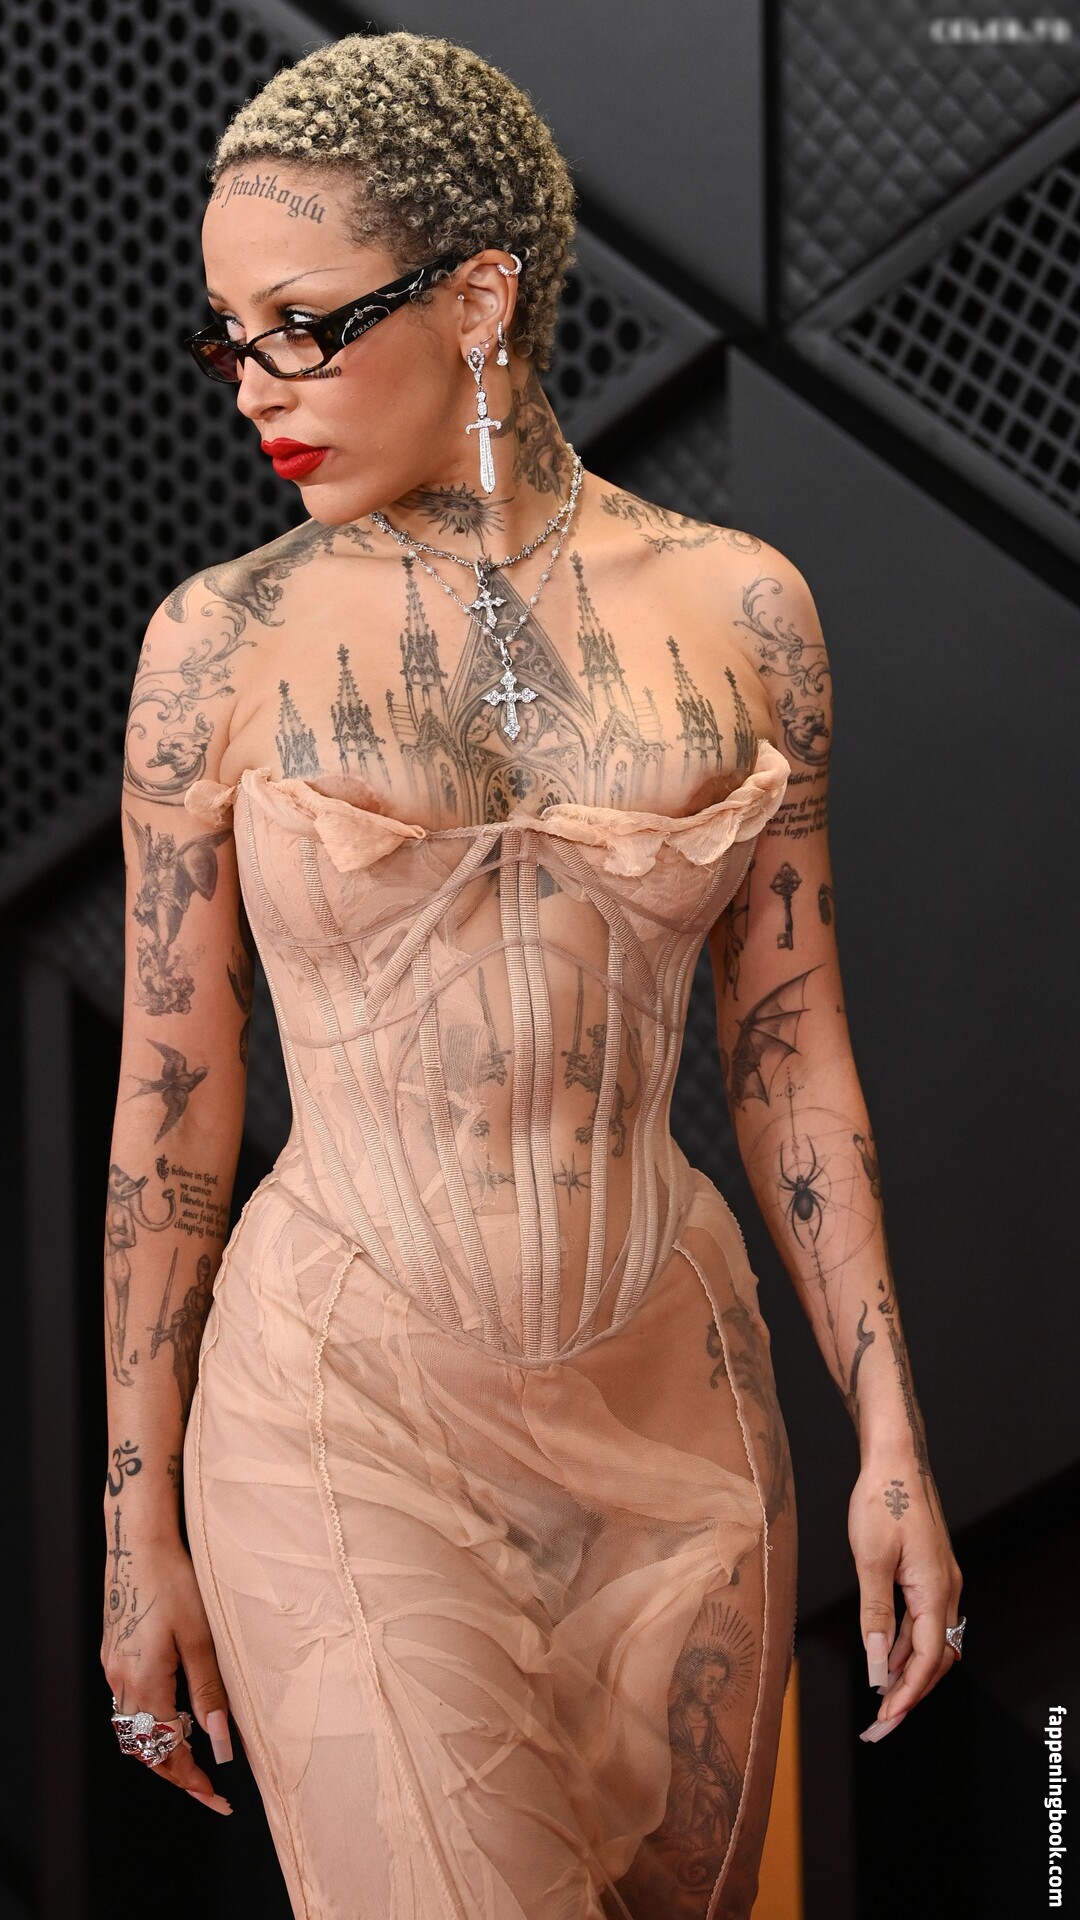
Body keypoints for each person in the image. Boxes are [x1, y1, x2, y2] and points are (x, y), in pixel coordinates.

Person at [100, 30, 964, 1918]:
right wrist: (133, 1520)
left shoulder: (746, 611)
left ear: (480, 298)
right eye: (229, 338)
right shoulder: (215, 648)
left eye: (304, 327)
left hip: (679, 1409)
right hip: (339, 1404)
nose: (258, 389)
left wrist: (892, 1435)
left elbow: (792, 1052)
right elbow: (172, 1107)